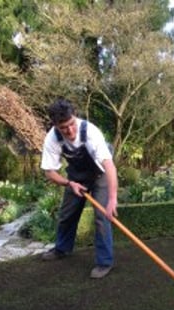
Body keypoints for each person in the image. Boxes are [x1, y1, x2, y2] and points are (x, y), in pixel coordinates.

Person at [39, 98, 119, 279]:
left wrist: (112, 198)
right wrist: (69, 184)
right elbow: (49, 172)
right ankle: (62, 249)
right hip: (76, 179)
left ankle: (104, 262)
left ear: (75, 116)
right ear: (55, 126)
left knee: (101, 217)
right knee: (67, 214)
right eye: (63, 128)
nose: (70, 131)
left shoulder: (91, 132)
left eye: (72, 124)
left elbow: (109, 165)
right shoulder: (52, 139)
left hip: (100, 176)